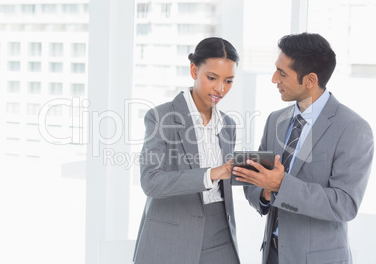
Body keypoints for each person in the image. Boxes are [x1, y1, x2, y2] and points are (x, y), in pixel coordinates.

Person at [233, 33, 374, 264]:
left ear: (310, 80)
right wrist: (266, 191)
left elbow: (345, 205)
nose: (273, 79)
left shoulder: (353, 128)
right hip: (272, 255)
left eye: (282, 73)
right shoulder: (274, 120)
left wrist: (280, 184)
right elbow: (257, 184)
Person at [133, 37, 240, 264]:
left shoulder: (228, 124)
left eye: (228, 81)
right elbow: (150, 181)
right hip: (172, 238)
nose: (220, 89)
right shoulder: (161, 117)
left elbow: (228, 180)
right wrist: (211, 173)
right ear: (194, 70)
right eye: (212, 78)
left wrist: (257, 178)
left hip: (221, 237)